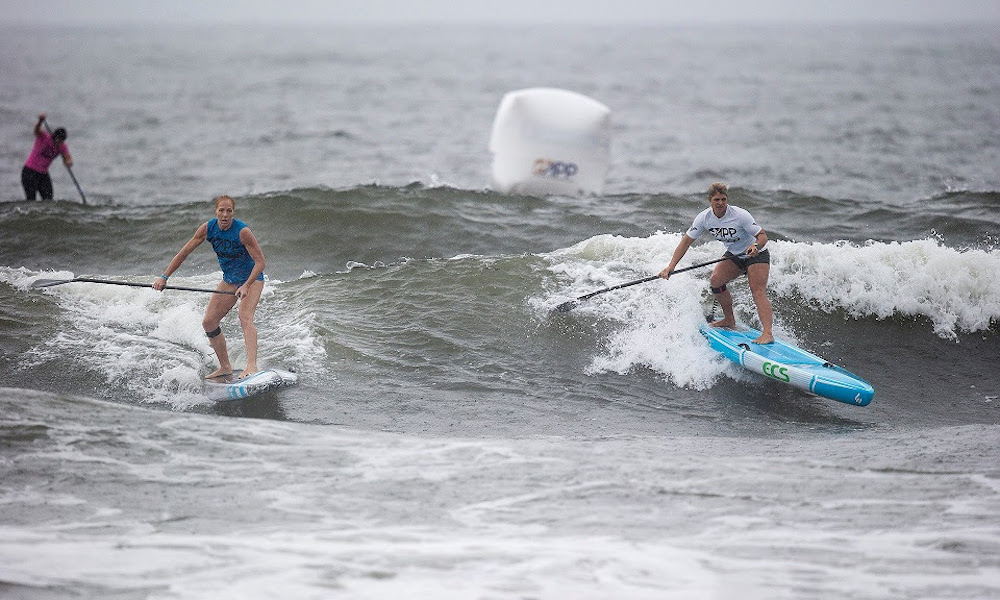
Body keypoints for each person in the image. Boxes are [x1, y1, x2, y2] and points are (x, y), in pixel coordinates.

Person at [154, 195, 266, 379]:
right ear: (216, 212)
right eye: (221, 210)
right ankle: (225, 367)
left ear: (233, 213)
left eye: (228, 211)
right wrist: (164, 277)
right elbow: (184, 253)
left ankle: (251, 366)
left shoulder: (242, 232)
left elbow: (260, 262)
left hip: (251, 280)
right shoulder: (208, 229)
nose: (225, 214)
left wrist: (246, 285)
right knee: (209, 322)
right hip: (230, 280)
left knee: (245, 317)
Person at [659, 182, 774, 344]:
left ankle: (767, 334)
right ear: (710, 201)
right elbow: (685, 242)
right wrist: (671, 266)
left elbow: (762, 236)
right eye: (716, 200)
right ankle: (729, 319)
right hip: (734, 255)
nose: (720, 203)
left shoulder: (740, 215)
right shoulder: (704, 218)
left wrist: (756, 246)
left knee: (758, 292)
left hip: (756, 255)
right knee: (716, 281)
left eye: (723, 199)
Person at [22, 113, 73, 201]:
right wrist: (40, 121)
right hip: (29, 172)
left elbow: (68, 158)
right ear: (54, 136)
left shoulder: (62, 146)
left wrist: (68, 162)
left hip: (43, 174)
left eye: (61, 141)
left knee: (49, 200)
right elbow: (36, 130)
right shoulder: (44, 137)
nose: (59, 142)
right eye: (58, 139)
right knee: (31, 199)